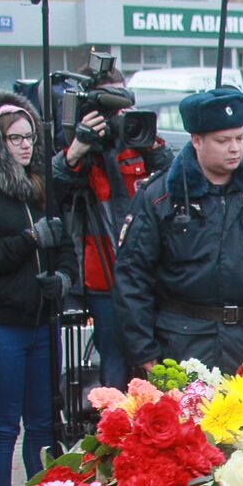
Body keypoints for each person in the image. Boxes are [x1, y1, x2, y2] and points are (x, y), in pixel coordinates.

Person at [114, 87, 243, 375]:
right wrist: (143, 349)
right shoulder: (161, 196)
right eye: (222, 140)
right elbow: (133, 275)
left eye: (240, 138)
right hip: (183, 342)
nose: (235, 148)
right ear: (197, 140)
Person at [50, 64, 171, 389]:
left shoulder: (139, 139)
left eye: (125, 107)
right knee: (115, 372)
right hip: (104, 280)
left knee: (160, 367)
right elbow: (52, 194)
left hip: (152, 276)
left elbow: (174, 183)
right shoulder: (83, 150)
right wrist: (78, 146)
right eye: (113, 110)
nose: (121, 116)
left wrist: (151, 145)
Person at [0, 93, 77, 486]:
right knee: (4, 424)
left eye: (29, 137)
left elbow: (65, 244)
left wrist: (63, 279)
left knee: (44, 422)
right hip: (6, 323)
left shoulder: (42, 187)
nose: (25, 146)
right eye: (15, 139)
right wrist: (28, 241)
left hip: (43, 321)